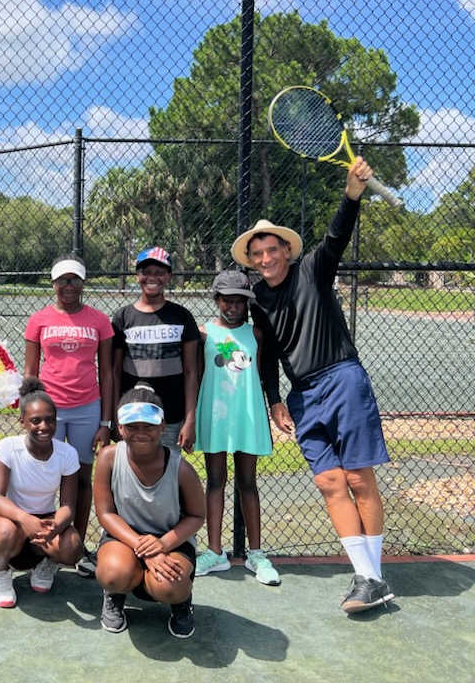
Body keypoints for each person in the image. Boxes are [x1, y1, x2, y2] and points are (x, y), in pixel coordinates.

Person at [232, 156, 394, 615]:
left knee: (360, 478)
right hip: (302, 394)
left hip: (343, 378)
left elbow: (337, 235)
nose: (265, 259)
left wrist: (351, 194)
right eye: (257, 254)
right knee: (328, 481)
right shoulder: (256, 300)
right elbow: (265, 354)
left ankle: (370, 576)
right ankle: (369, 577)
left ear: (287, 251)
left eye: (272, 251)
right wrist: (274, 399)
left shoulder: (313, 270)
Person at [193, 271, 287, 586]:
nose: (233, 306)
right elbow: (193, 376)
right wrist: (190, 416)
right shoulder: (203, 334)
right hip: (216, 415)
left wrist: (275, 402)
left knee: (248, 482)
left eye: (239, 301)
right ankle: (215, 552)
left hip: (247, 414)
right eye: (227, 300)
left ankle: (256, 554)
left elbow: (267, 374)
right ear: (216, 300)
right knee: (216, 480)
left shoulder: (257, 334)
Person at [24, 253, 114, 578]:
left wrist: (105, 422)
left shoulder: (99, 321)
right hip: (49, 409)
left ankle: (75, 546)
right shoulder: (38, 320)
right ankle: (43, 543)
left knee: (81, 478)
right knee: (46, 475)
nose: (69, 285)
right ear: (53, 283)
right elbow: (31, 371)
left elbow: (107, 371)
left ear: (83, 283)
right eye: (62, 279)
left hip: (87, 408)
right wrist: (28, 409)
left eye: (75, 279)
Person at [94, 383, 205, 638]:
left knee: (170, 586)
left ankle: (181, 602)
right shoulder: (108, 458)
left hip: (171, 540)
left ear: (163, 427)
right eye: (132, 426)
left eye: (149, 426)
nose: (140, 433)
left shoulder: (181, 469)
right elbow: (106, 514)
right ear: (120, 428)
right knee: (112, 573)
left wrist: (163, 545)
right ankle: (115, 595)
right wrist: (145, 549)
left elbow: (197, 516)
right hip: (123, 537)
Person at [0, 377, 83, 608]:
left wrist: (54, 527)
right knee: (4, 532)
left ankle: (47, 564)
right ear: (22, 422)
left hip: (45, 523)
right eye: (35, 420)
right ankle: (0, 574)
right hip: (10, 520)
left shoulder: (67, 453)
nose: (44, 427)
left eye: (50, 420)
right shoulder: (8, 447)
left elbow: (68, 505)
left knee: (72, 546)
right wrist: (25, 519)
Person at [112, 246, 200, 454]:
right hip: (133, 414)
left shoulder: (181, 316)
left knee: (168, 470)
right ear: (137, 276)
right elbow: (114, 372)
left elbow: (190, 372)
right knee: (131, 469)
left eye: (160, 272)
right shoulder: (123, 318)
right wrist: (117, 416)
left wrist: (190, 419)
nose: (153, 277)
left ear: (169, 276)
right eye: (146, 272)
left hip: (171, 414)